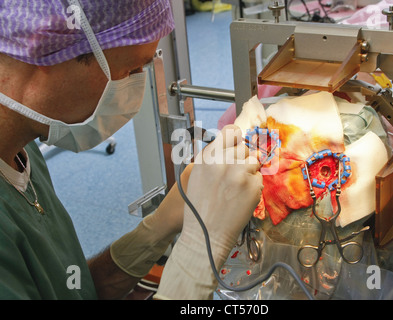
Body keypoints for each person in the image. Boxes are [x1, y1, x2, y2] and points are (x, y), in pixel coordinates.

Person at [0, 0, 263, 299]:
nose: (135, 91)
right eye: (130, 69)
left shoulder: (22, 145)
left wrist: (154, 231)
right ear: (44, 49)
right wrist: (194, 260)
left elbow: (68, 290)